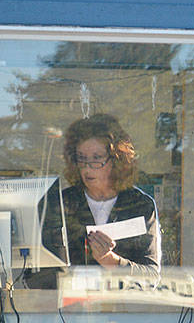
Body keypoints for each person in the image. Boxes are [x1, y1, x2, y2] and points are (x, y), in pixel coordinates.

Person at [39, 114, 161, 274]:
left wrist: (110, 260)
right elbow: (38, 272)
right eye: (81, 159)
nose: (87, 167)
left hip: (121, 298)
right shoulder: (61, 204)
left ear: (117, 160)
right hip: (71, 297)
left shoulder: (140, 205)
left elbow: (151, 274)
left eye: (97, 158)